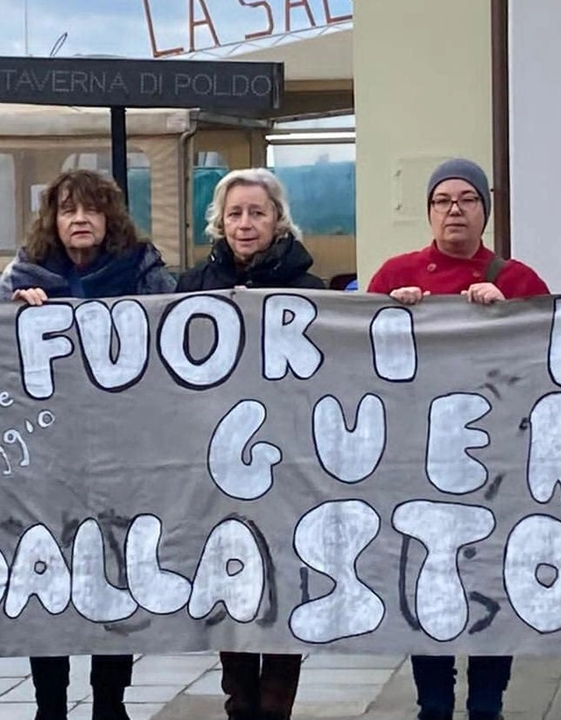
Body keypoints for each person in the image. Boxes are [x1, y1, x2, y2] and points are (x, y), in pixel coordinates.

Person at [367, 157, 549, 720]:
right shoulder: (397, 272)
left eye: (467, 199)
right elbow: (359, 355)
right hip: (420, 459)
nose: (454, 209)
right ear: (428, 211)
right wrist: (387, 314)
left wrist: (509, 314)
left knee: (492, 574)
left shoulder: (515, 278)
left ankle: (488, 699)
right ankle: (434, 699)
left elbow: (552, 352)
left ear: (484, 212)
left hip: (497, 462)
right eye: (443, 199)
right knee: (429, 576)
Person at [0, 168, 176, 720]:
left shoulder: (143, 273)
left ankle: (109, 700)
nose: (80, 219)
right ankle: (49, 703)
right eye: (69, 209)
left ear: (110, 219)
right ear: (53, 219)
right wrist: (11, 314)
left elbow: (173, 336)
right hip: (47, 454)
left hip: (122, 450)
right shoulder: (22, 276)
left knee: (114, 574)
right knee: (46, 573)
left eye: (92, 210)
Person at [177, 168, 322, 720]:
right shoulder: (190, 288)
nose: (245, 223)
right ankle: (240, 703)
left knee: (287, 585)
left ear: (277, 219)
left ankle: (276, 705)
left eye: (256, 212)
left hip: (287, 465)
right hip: (214, 466)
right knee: (228, 583)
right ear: (220, 220)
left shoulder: (309, 290)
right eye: (235, 213)